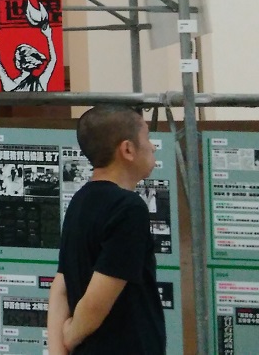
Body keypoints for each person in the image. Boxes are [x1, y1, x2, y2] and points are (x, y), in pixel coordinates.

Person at [47, 105, 165, 355]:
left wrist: (58, 349)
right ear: (128, 149)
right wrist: (69, 336)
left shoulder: (80, 201)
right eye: (146, 137)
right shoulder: (128, 208)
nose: (153, 146)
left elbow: (60, 285)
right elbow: (96, 300)